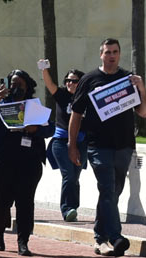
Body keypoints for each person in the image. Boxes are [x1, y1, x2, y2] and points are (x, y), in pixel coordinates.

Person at [67, 38, 146, 257]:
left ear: (119, 54)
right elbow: (76, 115)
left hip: (124, 146)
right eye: (107, 52)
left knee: (113, 193)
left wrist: (141, 87)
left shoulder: (128, 78)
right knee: (107, 188)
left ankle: (100, 238)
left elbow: (143, 112)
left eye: (115, 52)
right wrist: (72, 145)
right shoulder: (89, 79)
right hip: (98, 145)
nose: (111, 55)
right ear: (101, 55)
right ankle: (116, 237)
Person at [0, 69, 51, 257]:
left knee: (26, 203)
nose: (16, 87)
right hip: (2, 162)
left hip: (29, 162)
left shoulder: (34, 106)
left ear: (27, 87)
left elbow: (49, 128)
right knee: (2, 202)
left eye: (20, 84)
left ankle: (23, 241)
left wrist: (35, 129)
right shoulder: (3, 103)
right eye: (13, 84)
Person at [40, 63, 86, 222]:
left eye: (74, 81)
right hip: (60, 142)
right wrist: (44, 69)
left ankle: (74, 206)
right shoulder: (61, 94)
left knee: (75, 176)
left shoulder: (86, 97)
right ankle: (67, 209)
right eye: (67, 80)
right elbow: (49, 84)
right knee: (68, 174)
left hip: (81, 142)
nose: (70, 83)